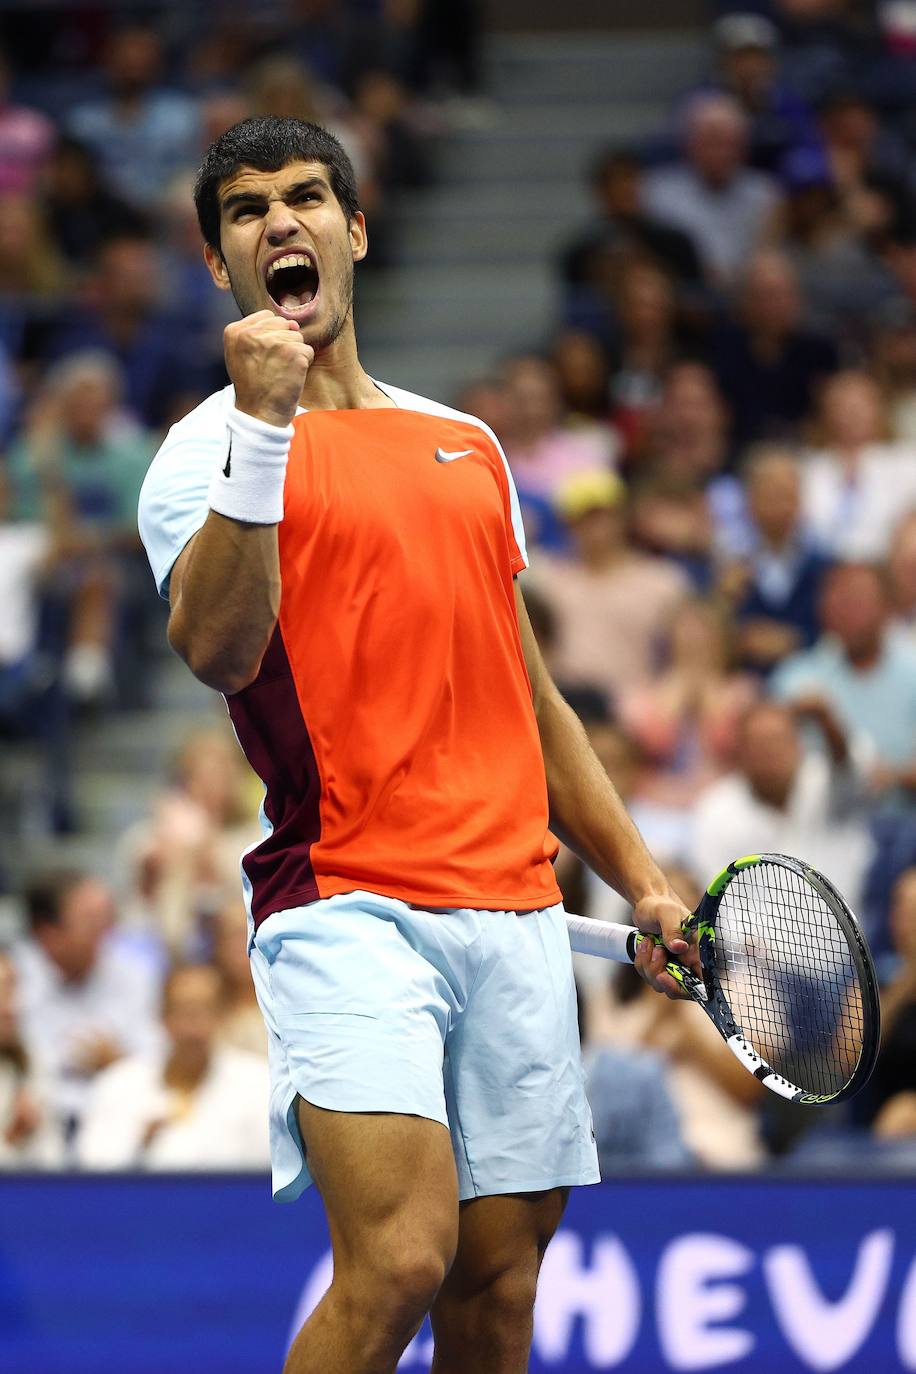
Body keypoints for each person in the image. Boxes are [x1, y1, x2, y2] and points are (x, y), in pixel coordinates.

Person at [137, 116, 694, 1374]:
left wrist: (644, 879)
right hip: (345, 902)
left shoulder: (470, 445)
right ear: (217, 261)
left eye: (307, 197)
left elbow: (533, 698)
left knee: (498, 1295)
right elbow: (218, 651)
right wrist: (264, 432)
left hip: (513, 912)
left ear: (356, 230)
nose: (281, 221)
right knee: (397, 1259)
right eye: (246, 210)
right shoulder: (200, 451)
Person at [15, 871, 160, 1152]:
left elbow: (156, 1060)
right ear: (48, 933)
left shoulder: (135, 974)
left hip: (117, 1127)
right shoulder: (13, 977)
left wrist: (119, 1062)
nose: (106, 933)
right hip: (35, 1131)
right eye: (91, 922)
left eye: (107, 919)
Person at [78, 962, 269, 1171]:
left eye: (205, 1011)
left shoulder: (258, 1084)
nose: (193, 1027)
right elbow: (91, 1173)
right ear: (162, 1016)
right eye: (183, 1012)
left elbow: (268, 1171)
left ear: (223, 1015)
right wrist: (140, 1142)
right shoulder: (117, 1085)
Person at [691, 698, 873, 912]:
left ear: (799, 745)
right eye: (759, 744)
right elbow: (712, 898)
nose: (771, 753)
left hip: (848, 941)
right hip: (748, 944)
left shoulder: (826, 783)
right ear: (740, 752)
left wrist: (826, 720)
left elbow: (854, 771)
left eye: (778, 740)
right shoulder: (714, 809)